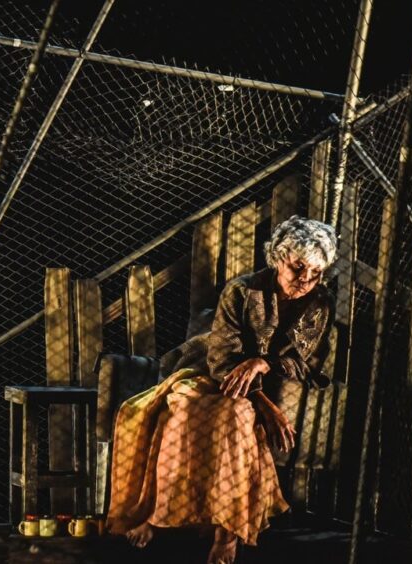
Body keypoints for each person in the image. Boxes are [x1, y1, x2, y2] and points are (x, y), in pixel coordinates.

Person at [106, 216, 337, 564]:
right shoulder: (241, 291)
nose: (305, 279)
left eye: (316, 272)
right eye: (298, 267)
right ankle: (156, 513)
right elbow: (221, 361)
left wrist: (263, 363)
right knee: (181, 408)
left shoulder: (320, 302)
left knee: (234, 416)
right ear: (278, 258)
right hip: (210, 374)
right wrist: (266, 405)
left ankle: (227, 532)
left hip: (253, 387)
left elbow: (310, 364)